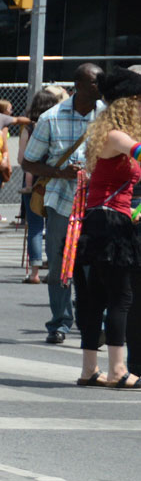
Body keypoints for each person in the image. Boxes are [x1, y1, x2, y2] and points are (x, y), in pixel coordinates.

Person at [22, 62, 104, 345]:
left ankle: (94, 321)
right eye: (96, 83)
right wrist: (60, 172)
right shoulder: (50, 118)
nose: (100, 88)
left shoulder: (107, 117)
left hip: (96, 203)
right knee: (59, 266)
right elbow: (28, 161)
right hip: (61, 202)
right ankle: (60, 322)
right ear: (79, 86)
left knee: (94, 266)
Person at [71, 67, 141, 388]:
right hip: (111, 221)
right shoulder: (116, 135)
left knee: (95, 296)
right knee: (119, 296)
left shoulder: (104, 132)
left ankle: (89, 370)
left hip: (99, 218)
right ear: (130, 103)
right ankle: (117, 370)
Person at [18, 89, 64, 283]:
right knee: (55, 226)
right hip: (56, 179)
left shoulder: (28, 129)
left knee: (35, 227)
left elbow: (23, 158)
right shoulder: (57, 124)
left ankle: (34, 272)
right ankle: (55, 269)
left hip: (35, 181)